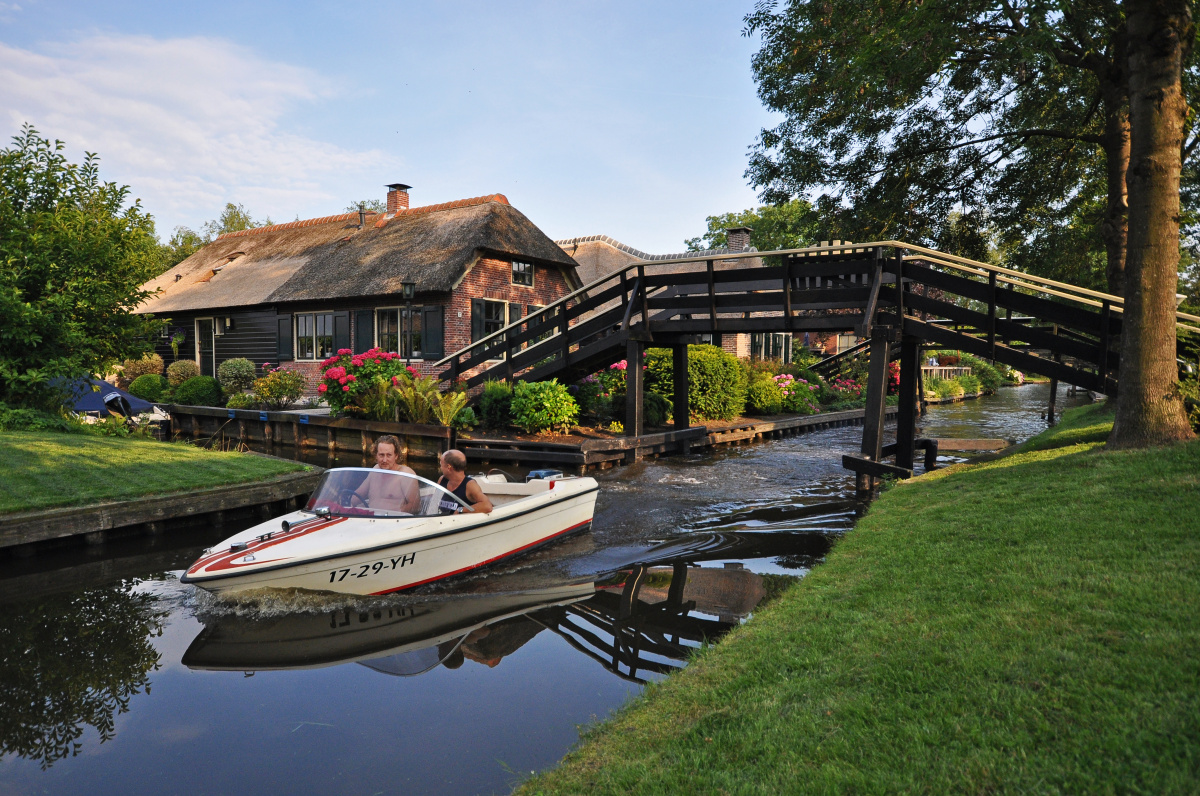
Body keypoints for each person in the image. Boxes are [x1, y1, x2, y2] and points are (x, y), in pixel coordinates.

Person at [353, 435, 421, 513]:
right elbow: (358, 494)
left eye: (389, 455)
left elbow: (415, 506)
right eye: (381, 455)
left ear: (396, 456)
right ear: (376, 455)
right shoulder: (375, 470)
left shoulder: (406, 474)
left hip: (394, 521)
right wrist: (343, 503)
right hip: (370, 519)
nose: (384, 460)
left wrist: (392, 515)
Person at [436, 449, 493, 515]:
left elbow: (487, 506)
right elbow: (434, 503)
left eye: (441, 465)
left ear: (449, 467)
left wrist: (460, 510)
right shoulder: (442, 480)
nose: (440, 468)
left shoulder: (470, 485)